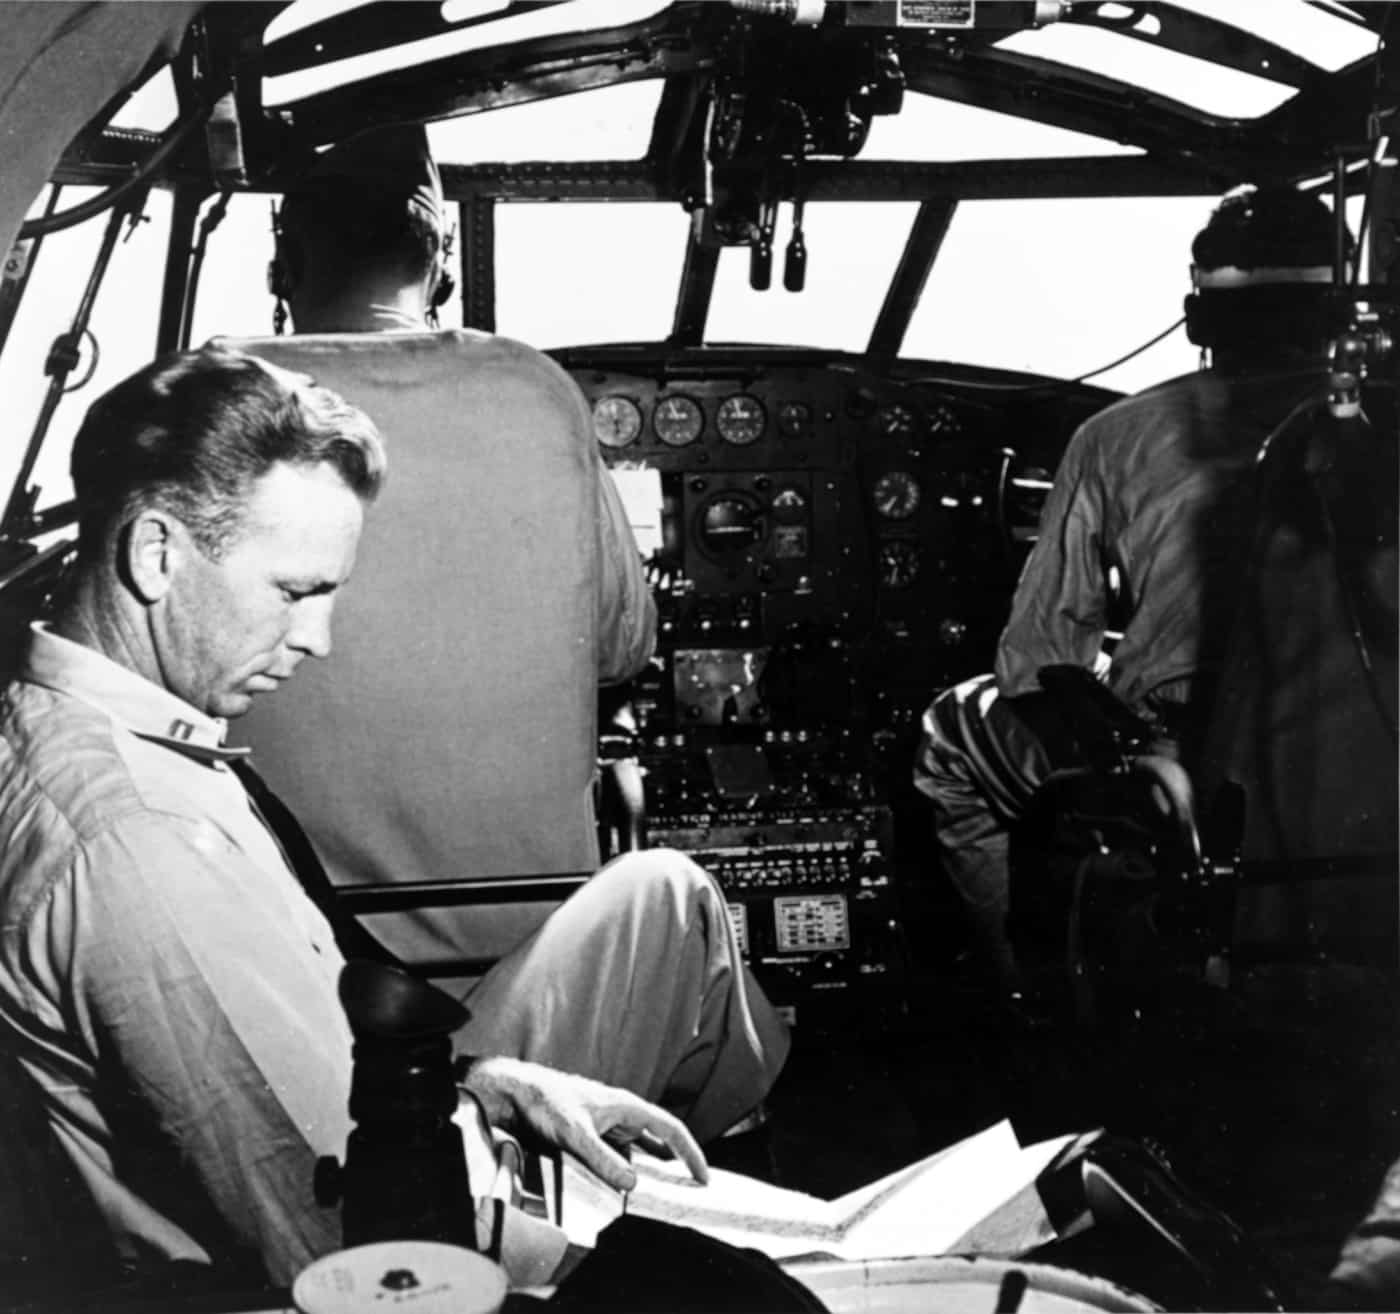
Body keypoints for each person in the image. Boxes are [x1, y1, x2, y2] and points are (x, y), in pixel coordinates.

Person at [0, 346, 788, 1290]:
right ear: (156, 552)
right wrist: (610, 1270)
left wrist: (481, 1089)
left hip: (424, 1140)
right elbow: (366, 1257)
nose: (317, 639)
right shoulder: (136, 837)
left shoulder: (108, 736)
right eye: (296, 592)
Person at [913, 183, 1350, 992]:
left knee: (950, 733)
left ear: (1199, 318)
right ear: (1335, 309)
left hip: (1188, 754)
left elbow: (1037, 659)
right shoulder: (1377, 425)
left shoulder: (1115, 437)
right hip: (1344, 757)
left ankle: (1030, 1002)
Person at [269, 122, 655, 685]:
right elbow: (620, 651)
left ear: (283, 271)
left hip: (238, 776)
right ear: (442, 277)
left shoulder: (200, 401)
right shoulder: (534, 400)